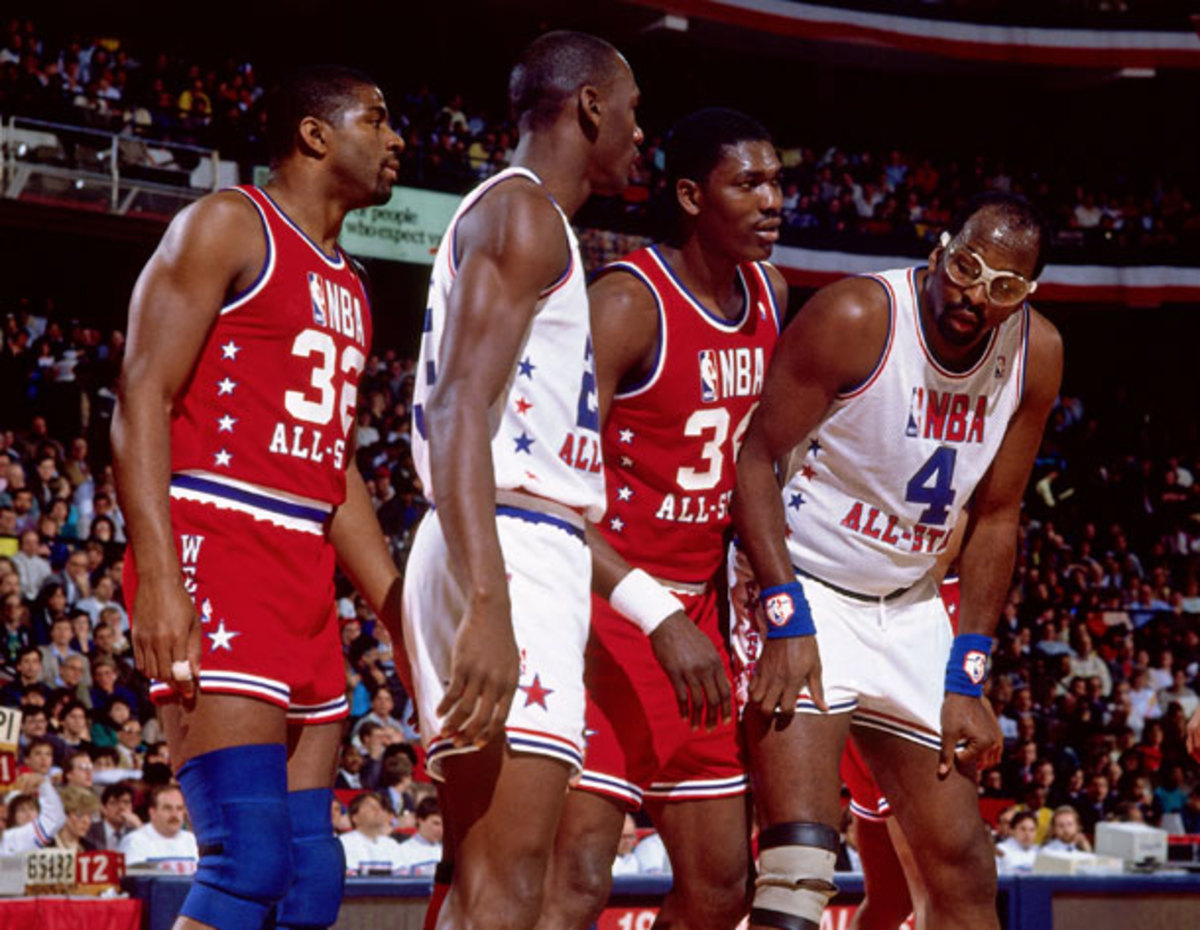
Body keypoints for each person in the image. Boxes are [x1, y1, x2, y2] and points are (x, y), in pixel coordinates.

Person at [112, 64, 406, 930]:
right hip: (219, 537)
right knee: (247, 859)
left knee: (311, 873)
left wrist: (393, 607)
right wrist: (161, 578)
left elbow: (333, 465)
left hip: (304, 563)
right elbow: (140, 398)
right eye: (377, 119)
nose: (396, 139)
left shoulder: (349, 280)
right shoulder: (228, 223)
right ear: (315, 134)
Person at [734, 191, 1062, 930]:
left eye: (1004, 288)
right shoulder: (858, 316)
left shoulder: (1037, 354)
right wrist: (785, 619)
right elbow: (754, 462)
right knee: (799, 870)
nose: (975, 295)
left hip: (910, 605)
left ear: (1027, 294)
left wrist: (967, 672)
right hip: (807, 582)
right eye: (967, 267)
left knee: (965, 871)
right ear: (941, 247)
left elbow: (999, 514)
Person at [402, 31, 641, 930]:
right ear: (588, 106)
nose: (638, 133)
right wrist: (492, 604)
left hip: (509, 538)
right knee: (507, 890)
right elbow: (458, 411)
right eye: (631, 111)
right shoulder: (525, 216)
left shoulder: (523, 219)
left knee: (488, 885)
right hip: (504, 537)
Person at [537, 107, 784, 930]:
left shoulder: (772, 296)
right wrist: (654, 610)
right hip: (607, 614)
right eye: (747, 182)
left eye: (777, 180)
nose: (772, 199)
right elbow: (553, 487)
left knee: (721, 890)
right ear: (689, 194)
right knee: (574, 880)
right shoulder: (627, 304)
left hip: (707, 614)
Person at [120, 784, 199, 873]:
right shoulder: (135, 841)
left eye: (179, 808)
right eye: (167, 808)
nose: (175, 814)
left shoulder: (192, 841)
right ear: (152, 812)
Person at [339, 791, 407, 875]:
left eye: (380, 807)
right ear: (355, 817)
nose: (378, 810)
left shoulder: (391, 844)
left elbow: (402, 877)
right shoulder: (344, 843)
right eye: (371, 806)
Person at [0, 772, 64, 853]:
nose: (28, 814)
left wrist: (42, 783)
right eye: (21, 810)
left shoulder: (16, 838)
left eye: (31, 808)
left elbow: (55, 818)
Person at [394, 796, 444, 876]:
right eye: (436, 823)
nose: (441, 830)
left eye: (444, 825)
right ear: (420, 820)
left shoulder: (447, 853)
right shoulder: (402, 851)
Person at [86, 782, 142, 850]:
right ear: (104, 808)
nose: (121, 807)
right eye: (115, 803)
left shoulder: (136, 831)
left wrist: (139, 826)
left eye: (126, 802)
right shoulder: (89, 831)